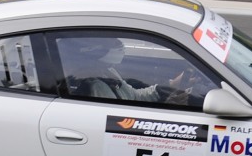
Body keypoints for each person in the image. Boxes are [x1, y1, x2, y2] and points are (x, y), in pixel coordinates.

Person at [62, 37, 211, 105]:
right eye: (111, 41)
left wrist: (170, 85)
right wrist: (168, 104)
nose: (118, 44)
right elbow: (120, 122)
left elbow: (133, 96)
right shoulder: (94, 87)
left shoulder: (108, 72)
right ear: (93, 50)